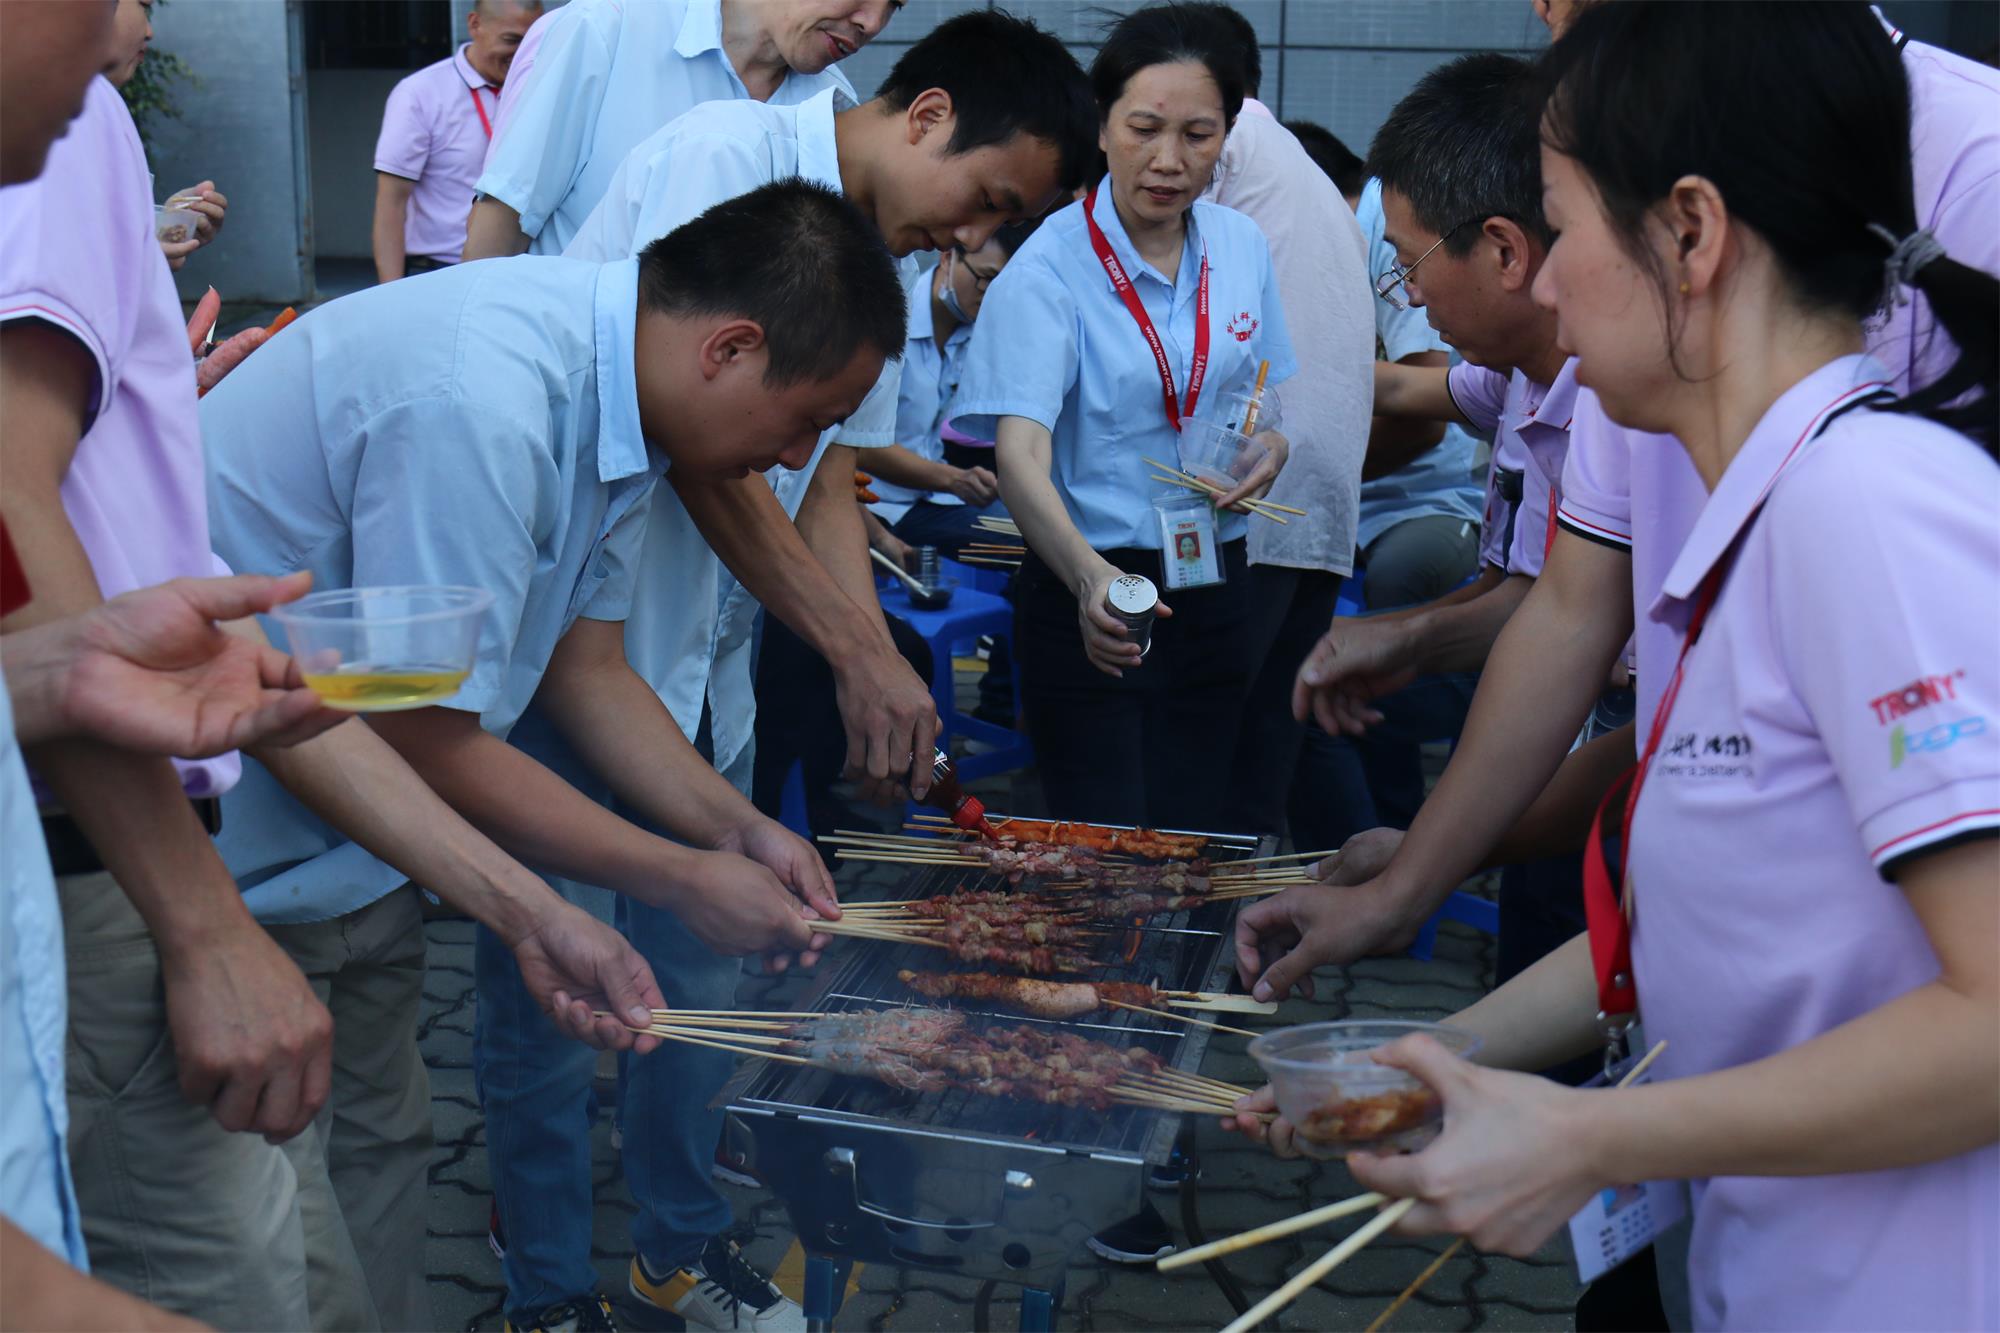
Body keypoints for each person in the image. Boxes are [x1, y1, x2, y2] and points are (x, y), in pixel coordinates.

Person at [1248, 8, 1998, 1329]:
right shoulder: (1748, 521)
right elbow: (1702, 928)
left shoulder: (1866, 511)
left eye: (1562, 223)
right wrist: (1441, 1065)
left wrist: (1590, 1139)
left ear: (1691, 234)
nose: (1536, 285)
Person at [1, 73, 670, 1331]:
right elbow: (16, 514)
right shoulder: (66, 139)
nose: (118, 33)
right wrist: (203, 929)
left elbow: (125, 613)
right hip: (99, 864)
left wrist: (57, 665)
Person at [199, 181, 898, 1333]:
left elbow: (585, 670)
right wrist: (669, 877)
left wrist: (735, 827)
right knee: (263, 1253)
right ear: (730, 346)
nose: (797, 457)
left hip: (355, 854)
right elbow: (422, 732)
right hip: (228, 855)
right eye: (806, 419)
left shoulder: (619, 390)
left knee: (377, 1175)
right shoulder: (486, 398)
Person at [510, 20, 1088, 1328]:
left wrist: (875, 657)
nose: (969, 238)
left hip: (691, 670)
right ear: (928, 114)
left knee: (689, 977)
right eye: (985, 200)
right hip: (579, 656)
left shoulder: (873, 252)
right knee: (545, 991)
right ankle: (541, 1290)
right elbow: (716, 454)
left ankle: (674, 1243)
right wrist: (845, 647)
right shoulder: (725, 159)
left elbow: (826, 469)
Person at [952, 0, 1295, 838]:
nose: (1169, 160)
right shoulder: (1048, 270)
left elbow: (1263, 394)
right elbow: (1021, 455)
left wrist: (1270, 448)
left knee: (1191, 833)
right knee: (1104, 846)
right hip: (1093, 588)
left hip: (1213, 570)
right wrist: (1086, 578)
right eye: (1144, 127)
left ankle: (1177, 961)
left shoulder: (1241, 246)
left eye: (1199, 135)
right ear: (1102, 126)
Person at [1195, 8, 1376, 838]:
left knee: (1204, 742)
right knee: (1261, 747)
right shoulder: (1293, 162)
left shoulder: (1221, 149)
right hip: (1321, 493)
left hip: (1257, 492)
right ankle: (1240, 946)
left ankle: (1184, 942)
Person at [465, 0, 898, 260]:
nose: (874, 22)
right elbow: (498, 234)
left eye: (896, 4)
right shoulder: (608, 28)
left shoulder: (832, 106)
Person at [866, 226, 1042, 557]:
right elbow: (859, 445)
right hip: (879, 506)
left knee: (1041, 534)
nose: (990, 295)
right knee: (1026, 548)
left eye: (1003, 288)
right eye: (985, 278)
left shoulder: (976, 331)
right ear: (948, 258)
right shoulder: (889, 321)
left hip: (933, 499)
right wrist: (952, 479)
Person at [372, 0, 541, 282]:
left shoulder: (541, 88)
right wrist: (389, 296)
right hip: (439, 272)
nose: (524, 54)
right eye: (512, 40)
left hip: (519, 271)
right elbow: (392, 202)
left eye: (534, 42)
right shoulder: (420, 94)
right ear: (475, 24)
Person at [101, 0, 228, 271]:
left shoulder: (104, 105)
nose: (149, 32)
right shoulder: (63, 111)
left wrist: (163, 226)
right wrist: (140, 254)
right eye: (143, 7)